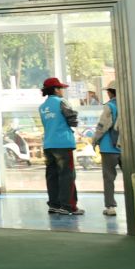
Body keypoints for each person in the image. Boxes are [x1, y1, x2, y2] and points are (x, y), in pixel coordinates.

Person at [38, 77, 79, 217]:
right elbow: (73, 120)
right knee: (67, 175)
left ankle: (54, 205)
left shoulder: (42, 107)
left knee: (52, 176)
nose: (62, 91)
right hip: (63, 144)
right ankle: (68, 206)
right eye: (61, 88)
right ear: (56, 89)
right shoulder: (61, 102)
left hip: (48, 144)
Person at [95, 85, 122, 216]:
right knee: (130, 178)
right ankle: (134, 204)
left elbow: (103, 126)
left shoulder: (109, 106)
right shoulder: (126, 105)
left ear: (110, 93)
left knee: (109, 178)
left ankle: (110, 207)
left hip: (108, 147)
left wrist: (95, 140)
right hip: (124, 147)